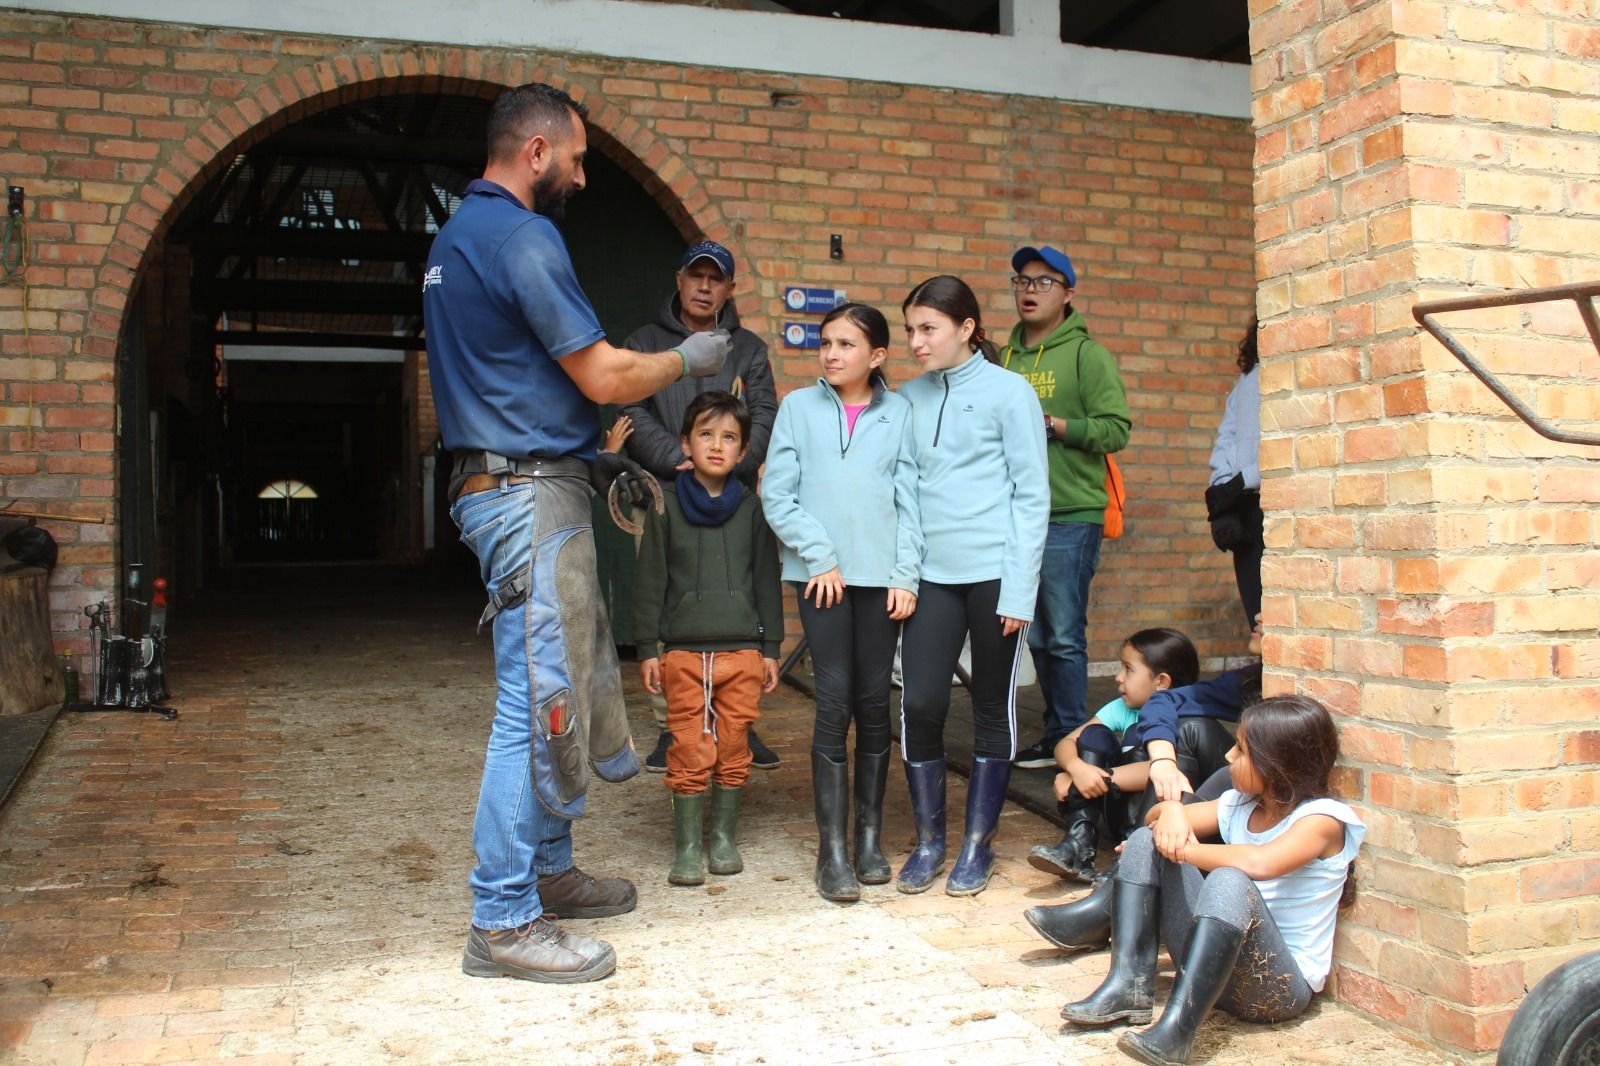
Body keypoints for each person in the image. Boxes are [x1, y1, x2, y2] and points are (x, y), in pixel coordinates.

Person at [423, 82, 733, 984]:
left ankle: (549, 871)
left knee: (565, 679)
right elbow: (601, 373)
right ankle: (504, 918)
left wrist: (589, 461)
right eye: (579, 158)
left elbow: (510, 376)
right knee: (536, 701)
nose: (585, 176)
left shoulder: (456, 239)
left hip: (524, 480)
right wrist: (690, 357)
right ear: (535, 153)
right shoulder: (521, 234)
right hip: (525, 496)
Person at [1059, 696, 1365, 1066]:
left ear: (1276, 764)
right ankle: (1128, 987)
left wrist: (1182, 850)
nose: (1228, 757)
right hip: (1212, 975)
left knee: (1230, 880)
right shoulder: (1240, 803)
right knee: (1145, 840)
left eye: (1241, 750)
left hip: (1274, 987)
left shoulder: (1324, 819)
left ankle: (1177, 1033)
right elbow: (1159, 818)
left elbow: (1260, 862)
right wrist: (1171, 810)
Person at [761, 303, 921, 902]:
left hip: (883, 583)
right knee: (834, 700)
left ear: (876, 355)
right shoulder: (798, 409)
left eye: (846, 344)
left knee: (874, 702)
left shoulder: (899, 413)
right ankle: (832, 851)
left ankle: (869, 839)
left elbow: (911, 503)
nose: (831, 354)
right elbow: (778, 494)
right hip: (821, 580)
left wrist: (906, 575)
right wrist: (819, 553)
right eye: (826, 342)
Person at [896, 275, 1049, 897]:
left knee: (992, 704)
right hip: (932, 577)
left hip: (994, 576)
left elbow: (1032, 496)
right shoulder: (906, 398)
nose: (915, 341)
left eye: (928, 328)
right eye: (909, 329)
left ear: (966, 328)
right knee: (920, 703)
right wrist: (905, 576)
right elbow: (903, 497)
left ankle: (976, 846)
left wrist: (1019, 590)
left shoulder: (1011, 394)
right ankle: (930, 840)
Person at [620, 240, 782, 774]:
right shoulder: (644, 343)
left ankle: (738, 727)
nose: (705, 286)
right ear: (680, 279)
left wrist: (730, 467)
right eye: (697, 276)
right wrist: (678, 459)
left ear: (730, 288)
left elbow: (763, 415)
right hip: (666, 493)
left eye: (716, 279)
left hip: (734, 499)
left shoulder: (749, 349)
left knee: (738, 601)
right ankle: (675, 728)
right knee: (672, 601)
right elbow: (632, 409)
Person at [1022, 615, 1263, 951]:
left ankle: (1114, 897)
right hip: (1216, 801)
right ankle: (1114, 873)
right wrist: (1163, 762)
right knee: (1173, 732)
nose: (1257, 615)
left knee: (1189, 728)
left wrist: (1086, 781)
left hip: (1259, 806)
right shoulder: (1253, 679)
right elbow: (1163, 702)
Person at [633, 391, 783, 887]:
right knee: (688, 746)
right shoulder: (664, 506)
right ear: (685, 443)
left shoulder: (753, 510)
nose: (716, 446)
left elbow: (766, 580)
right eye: (705, 434)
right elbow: (651, 579)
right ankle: (688, 847)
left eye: (729, 438)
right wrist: (647, 647)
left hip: (741, 649)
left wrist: (771, 649)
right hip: (682, 652)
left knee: (735, 742)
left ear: (742, 452)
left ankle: (722, 838)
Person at [1000, 245, 1132, 771]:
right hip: (1012, 515)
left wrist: (1052, 424)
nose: (1029, 291)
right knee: (1028, 629)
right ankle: (1056, 734)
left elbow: (1116, 429)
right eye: (1021, 281)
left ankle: (1073, 741)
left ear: (1068, 294)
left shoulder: (1086, 355)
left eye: (1044, 282)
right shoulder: (1003, 359)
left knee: (1062, 634)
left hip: (1069, 513)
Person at [1027, 629, 1200, 883]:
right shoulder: (1121, 708)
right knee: (1094, 734)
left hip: (1155, 819)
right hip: (1116, 807)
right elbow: (1066, 742)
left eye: (1128, 669)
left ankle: (1131, 855)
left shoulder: (1185, 722)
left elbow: (1159, 773)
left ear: (1161, 682)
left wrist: (1081, 784)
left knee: (1137, 737)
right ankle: (1080, 843)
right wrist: (1077, 769)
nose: (1118, 678)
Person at [1207, 318, 1263, 624]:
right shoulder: (1248, 378)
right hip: (1247, 508)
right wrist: (1222, 490)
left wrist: (1246, 478)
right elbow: (1226, 439)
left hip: (1279, 506)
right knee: (1257, 622)